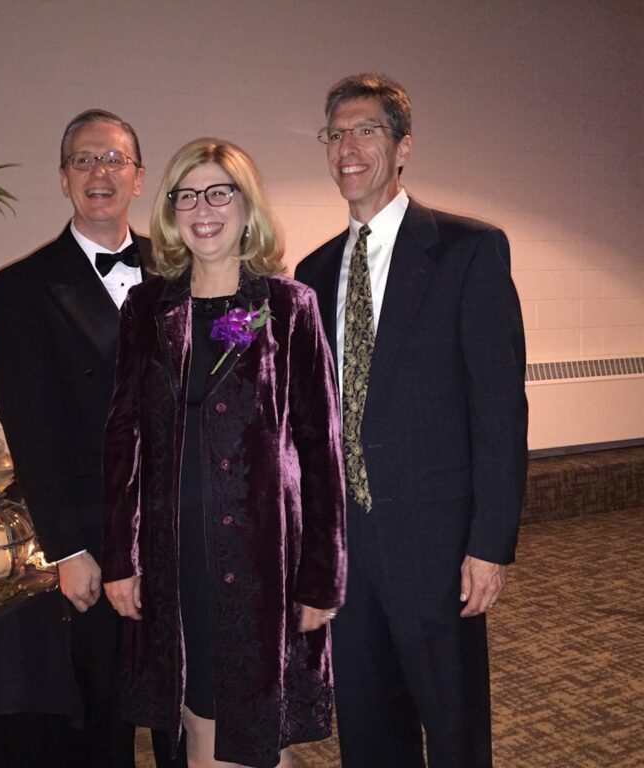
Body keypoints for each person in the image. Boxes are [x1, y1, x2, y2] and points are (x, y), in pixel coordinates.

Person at [295, 74, 528, 767]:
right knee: (368, 732)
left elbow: (499, 410)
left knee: (454, 730)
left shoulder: (467, 251)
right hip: (347, 550)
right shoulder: (312, 273)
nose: (348, 148)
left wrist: (490, 544)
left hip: (437, 546)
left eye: (366, 130)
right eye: (335, 134)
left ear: (402, 147)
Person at [101, 137, 347, 768]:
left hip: (261, 557)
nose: (203, 208)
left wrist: (322, 577)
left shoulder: (286, 307)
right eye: (187, 194)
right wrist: (122, 558)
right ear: (171, 209)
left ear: (246, 205)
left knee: (242, 720)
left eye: (219, 191)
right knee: (195, 712)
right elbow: (125, 435)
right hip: (173, 550)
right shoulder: (149, 308)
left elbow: (321, 450)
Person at [0, 109, 185, 767]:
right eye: (84, 160)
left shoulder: (184, 267)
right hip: (96, 536)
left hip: (183, 525)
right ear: (64, 178)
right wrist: (66, 548)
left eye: (114, 159)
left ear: (138, 177)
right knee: (104, 711)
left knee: (185, 708)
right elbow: (30, 425)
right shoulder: (20, 288)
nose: (99, 172)